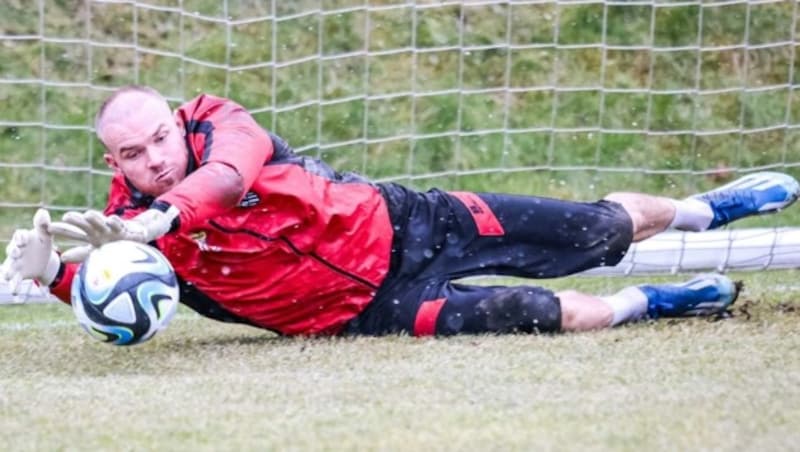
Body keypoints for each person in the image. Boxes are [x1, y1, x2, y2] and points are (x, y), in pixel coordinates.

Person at [2, 85, 798, 337]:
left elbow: (225, 175)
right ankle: (656, 305)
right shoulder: (119, 232)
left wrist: (163, 217)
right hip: (365, 311)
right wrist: (55, 279)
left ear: (177, 121)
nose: (153, 160)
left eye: (158, 139)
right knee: (539, 313)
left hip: (404, 222)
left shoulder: (220, 123)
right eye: (133, 156)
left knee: (601, 230)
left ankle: (700, 211)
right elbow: (128, 301)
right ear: (114, 163)